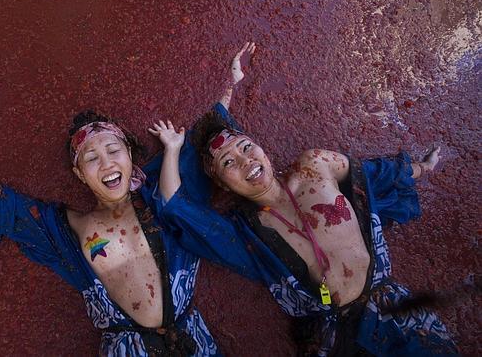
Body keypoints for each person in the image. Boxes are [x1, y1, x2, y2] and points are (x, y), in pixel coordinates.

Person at [150, 42, 459, 356]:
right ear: (223, 185)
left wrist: (421, 168)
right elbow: (175, 206)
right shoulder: (248, 235)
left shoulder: (316, 165)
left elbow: (373, 174)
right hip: (339, 338)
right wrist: (173, 150)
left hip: (397, 311)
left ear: (259, 146)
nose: (245, 162)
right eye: (227, 163)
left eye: (245, 148)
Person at [0, 111, 221, 356]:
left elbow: (209, 146)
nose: (105, 162)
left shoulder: (165, 201)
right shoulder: (74, 226)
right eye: (91, 158)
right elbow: (6, 200)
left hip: (194, 342)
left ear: (130, 156)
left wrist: (232, 83)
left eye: (112, 150)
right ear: (80, 174)